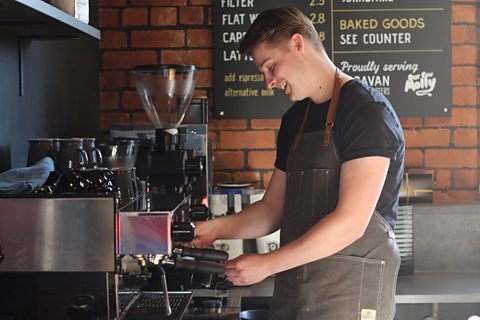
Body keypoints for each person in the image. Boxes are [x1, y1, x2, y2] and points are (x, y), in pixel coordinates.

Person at [194, 7, 405, 320]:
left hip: (350, 296)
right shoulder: (295, 120)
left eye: (271, 67)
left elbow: (351, 223)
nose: (268, 81)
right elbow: (271, 210)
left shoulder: (367, 112)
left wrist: (268, 264)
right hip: (296, 293)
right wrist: (213, 230)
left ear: (297, 43)